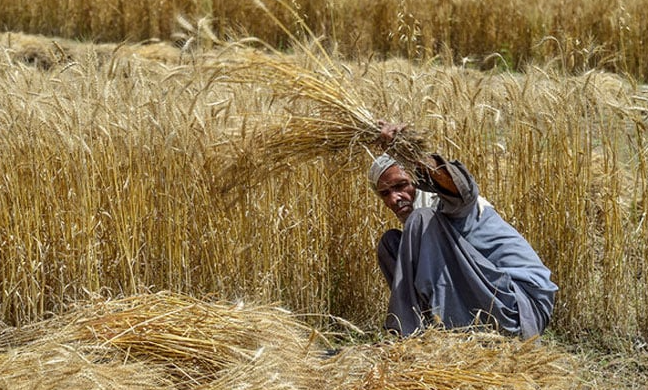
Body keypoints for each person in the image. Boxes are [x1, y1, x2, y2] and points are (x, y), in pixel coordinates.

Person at [369, 120, 558, 340]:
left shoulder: (452, 203)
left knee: (420, 220)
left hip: (518, 305)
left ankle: (407, 335)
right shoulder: (422, 231)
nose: (394, 198)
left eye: (401, 185)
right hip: (483, 302)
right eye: (385, 193)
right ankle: (426, 335)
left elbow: (461, 185)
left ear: (417, 179)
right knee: (391, 243)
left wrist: (410, 154)